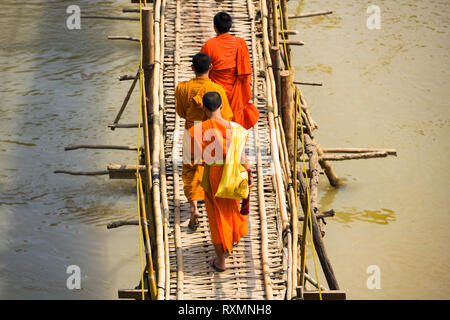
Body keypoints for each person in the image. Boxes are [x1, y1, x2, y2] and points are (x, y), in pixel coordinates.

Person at [188, 91, 253, 272]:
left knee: (216, 217)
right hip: (234, 174)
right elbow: (242, 157)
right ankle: (232, 239)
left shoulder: (195, 131)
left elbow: (192, 160)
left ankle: (220, 261)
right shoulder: (236, 129)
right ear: (222, 106)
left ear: (203, 108)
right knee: (231, 207)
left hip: (213, 177)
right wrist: (248, 175)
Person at [175, 52, 233, 231]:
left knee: (191, 171)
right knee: (213, 169)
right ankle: (215, 207)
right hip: (213, 134)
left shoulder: (182, 88)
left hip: (193, 132)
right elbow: (227, 116)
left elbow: (181, 112)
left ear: (192, 68)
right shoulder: (218, 90)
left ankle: (194, 207)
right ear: (211, 68)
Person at [201, 12, 259, 130]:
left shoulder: (209, 45)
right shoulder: (240, 43)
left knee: (216, 124)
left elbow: (202, 69)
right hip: (236, 90)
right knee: (235, 122)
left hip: (216, 92)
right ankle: (235, 144)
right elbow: (246, 71)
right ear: (231, 26)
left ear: (214, 27)